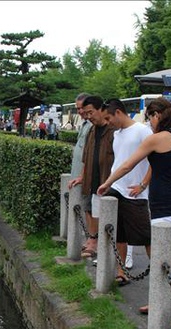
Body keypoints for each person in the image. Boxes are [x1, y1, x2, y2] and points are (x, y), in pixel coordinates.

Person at [97, 97, 171, 328]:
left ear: (156, 116)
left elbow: (128, 164)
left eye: (149, 117)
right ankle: (161, 301)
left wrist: (107, 182)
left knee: (170, 257)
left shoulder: (155, 139)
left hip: (164, 205)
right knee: (161, 255)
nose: (149, 122)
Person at [98, 99, 153, 286]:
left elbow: (155, 160)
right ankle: (121, 271)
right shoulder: (117, 134)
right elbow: (119, 162)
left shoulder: (142, 131)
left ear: (119, 113)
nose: (108, 122)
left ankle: (162, 274)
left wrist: (143, 184)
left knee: (146, 236)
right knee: (118, 233)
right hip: (117, 188)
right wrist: (109, 183)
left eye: (109, 118)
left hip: (135, 193)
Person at [68, 95, 115, 258]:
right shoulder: (92, 129)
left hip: (108, 181)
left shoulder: (113, 130)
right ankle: (100, 251)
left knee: (108, 219)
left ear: (101, 109)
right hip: (93, 181)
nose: (87, 116)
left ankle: (107, 256)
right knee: (95, 214)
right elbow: (86, 156)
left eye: (90, 113)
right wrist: (82, 176)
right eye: (84, 113)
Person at [67, 93, 92, 251]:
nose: (80, 111)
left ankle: (91, 241)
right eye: (77, 108)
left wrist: (83, 175)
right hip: (78, 175)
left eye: (81, 108)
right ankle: (89, 239)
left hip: (85, 177)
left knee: (89, 209)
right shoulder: (84, 124)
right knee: (85, 208)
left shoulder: (91, 126)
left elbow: (88, 155)